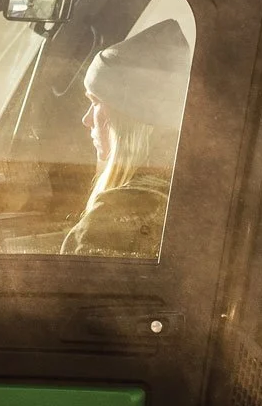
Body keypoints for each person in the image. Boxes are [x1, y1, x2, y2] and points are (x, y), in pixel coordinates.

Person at [61, 18, 190, 258]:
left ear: (129, 120)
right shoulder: (191, 195)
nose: (86, 120)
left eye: (96, 102)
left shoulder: (115, 216)